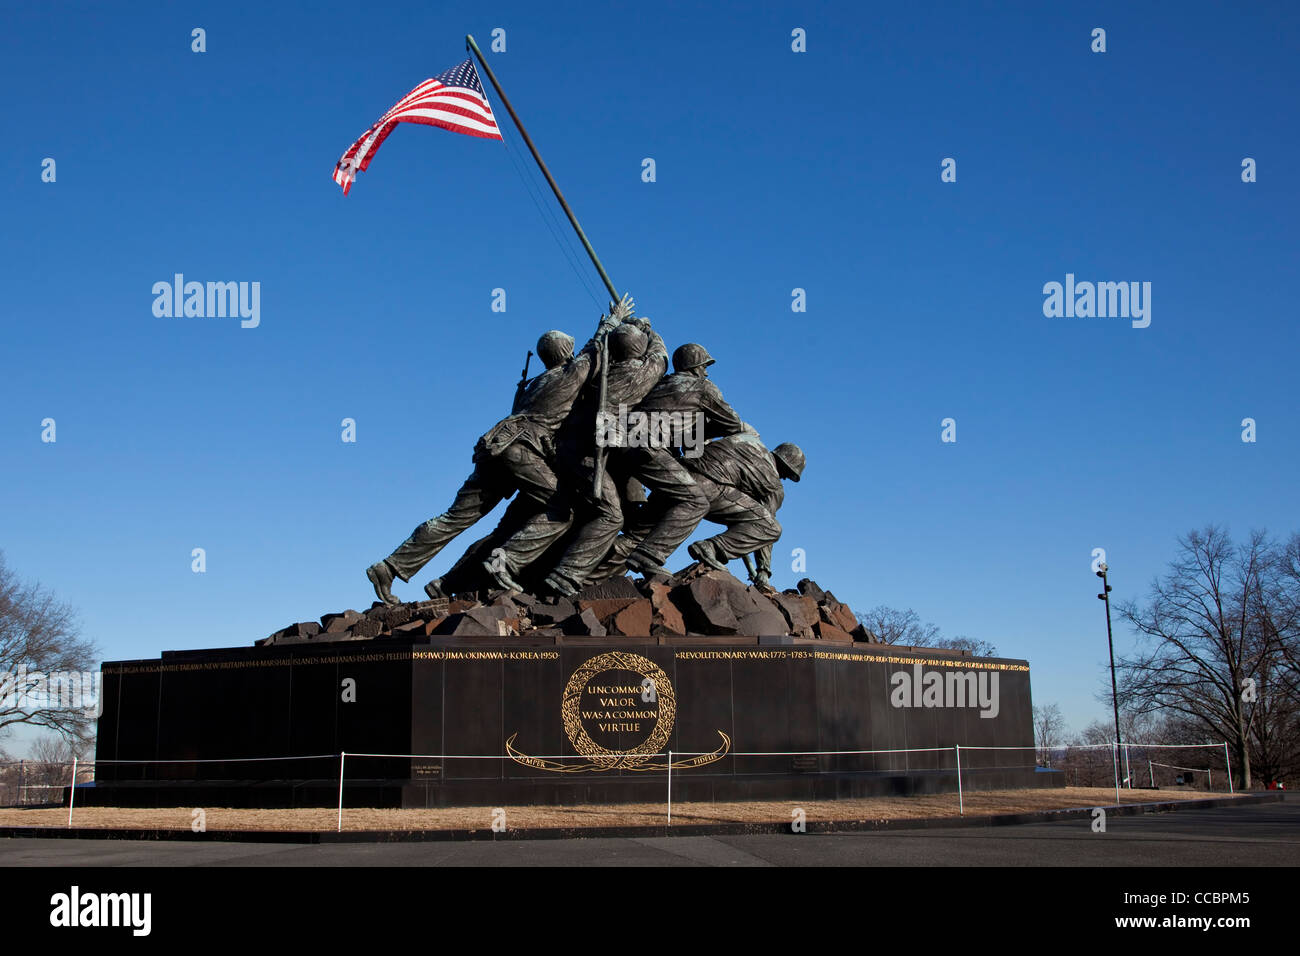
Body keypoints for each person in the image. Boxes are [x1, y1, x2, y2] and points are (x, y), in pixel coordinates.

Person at [365, 296, 634, 605]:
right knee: (561, 509)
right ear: (566, 353)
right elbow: (595, 350)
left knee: (454, 518)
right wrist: (613, 320)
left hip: (494, 445)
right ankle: (503, 563)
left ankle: (391, 566)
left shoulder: (533, 384)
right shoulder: (569, 374)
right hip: (521, 449)